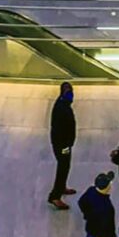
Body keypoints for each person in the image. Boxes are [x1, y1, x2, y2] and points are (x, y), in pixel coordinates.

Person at [48, 81, 78, 210]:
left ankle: (62, 187)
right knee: (63, 167)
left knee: (65, 166)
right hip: (63, 146)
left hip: (64, 144)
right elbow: (60, 130)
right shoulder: (62, 108)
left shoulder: (63, 104)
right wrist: (66, 146)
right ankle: (55, 196)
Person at [78, 171, 117, 237]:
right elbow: (108, 227)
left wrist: (86, 215)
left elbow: (81, 202)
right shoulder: (107, 207)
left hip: (90, 233)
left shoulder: (91, 190)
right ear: (107, 187)